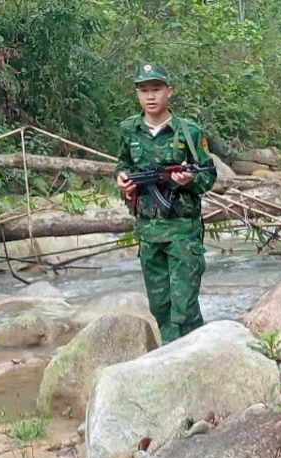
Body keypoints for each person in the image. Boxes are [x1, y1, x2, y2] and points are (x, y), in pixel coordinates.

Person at [114, 61, 216, 344]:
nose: (150, 96)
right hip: (148, 232)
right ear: (136, 94)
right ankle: (169, 353)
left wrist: (188, 182)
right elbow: (122, 163)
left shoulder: (189, 132)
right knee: (159, 305)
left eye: (156, 89)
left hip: (183, 232)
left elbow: (208, 177)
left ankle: (192, 356)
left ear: (169, 92)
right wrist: (121, 179)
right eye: (143, 90)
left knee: (184, 306)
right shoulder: (129, 130)